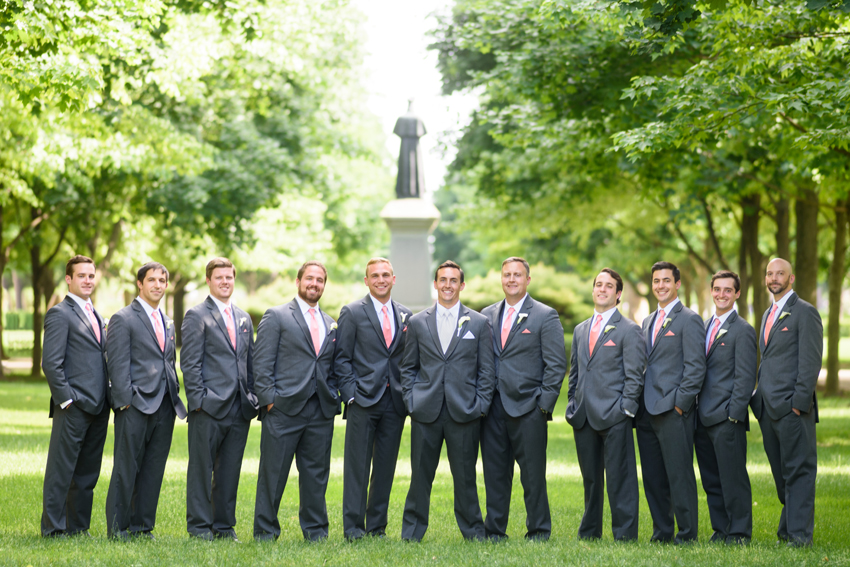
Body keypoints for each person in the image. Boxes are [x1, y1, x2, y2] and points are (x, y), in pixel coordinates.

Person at [400, 260, 495, 542]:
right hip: (425, 411)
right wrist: (411, 401)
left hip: (464, 411)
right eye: (443, 279)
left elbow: (486, 370)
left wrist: (480, 405)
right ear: (435, 284)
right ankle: (412, 532)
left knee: (465, 477)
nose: (448, 285)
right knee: (420, 477)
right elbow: (408, 368)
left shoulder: (479, 323)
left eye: (454, 280)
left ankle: (473, 532)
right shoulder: (417, 322)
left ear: (462, 285)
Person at [479, 257, 567, 541]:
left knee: (532, 476)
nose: (512, 279)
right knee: (494, 474)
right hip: (492, 408)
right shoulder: (486, 315)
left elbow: (555, 365)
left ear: (528, 279)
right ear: (501, 279)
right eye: (507, 275)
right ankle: (494, 531)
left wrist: (543, 405)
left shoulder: (545, 315)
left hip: (529, 409)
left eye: (518, 275)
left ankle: (539, 530)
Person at [253, 261, 340, 541]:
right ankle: (266, 531)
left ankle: (316, 532)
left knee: (316, 475)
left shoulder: (330, 322)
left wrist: (333, 396)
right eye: (310, 279)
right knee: (273, 474)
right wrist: (269, 401)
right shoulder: (277, 315)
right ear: (298, 281)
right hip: (283, 409)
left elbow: (332, 365)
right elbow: (262, 361)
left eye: (320, 280)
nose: (314, 284)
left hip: (320, 410)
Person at [105, 262, 188, 539]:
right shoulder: (124, 318)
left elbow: (168, 361)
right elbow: (117, 364)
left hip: (165, 405)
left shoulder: (168, 321)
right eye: (151, 280)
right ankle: (118, 528)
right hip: (135, 405)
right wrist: (124, 400)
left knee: (153, 469)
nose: (157, 285)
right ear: (140, 284)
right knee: (126, 467)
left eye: (162, 280)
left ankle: (142, 526)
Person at [181, 257, 259, 541]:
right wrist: (199, 401)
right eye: (219, 277)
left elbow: (250, 361)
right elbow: (189, 364)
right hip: (208, 407)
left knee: (229, 472)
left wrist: (251, 396)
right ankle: (200, 528)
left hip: (239, 409)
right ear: (208, 280)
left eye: (229, 277)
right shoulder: (196, 315)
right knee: (201, 471)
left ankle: (224, 527)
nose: (225, 282)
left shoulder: (243, 317)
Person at [335, 258, 413, 541]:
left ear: (393, 279)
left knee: (384, 468)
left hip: (395, 403)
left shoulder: (406, 315)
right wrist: (351, 395)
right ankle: (354, 529)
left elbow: (408, 360)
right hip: (363, 402)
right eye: (374, 276)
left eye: (385, 275)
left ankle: (376, 527)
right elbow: (341, 358)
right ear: (366, 281)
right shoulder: (353, 312)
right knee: (357, 467)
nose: (380, 280)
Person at [566, 268, 645, 541]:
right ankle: (589, 532)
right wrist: (572, 405)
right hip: (584, 416)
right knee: (591, 479)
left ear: (618, 294)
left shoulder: (629, 330)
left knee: (620, 479)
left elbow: (635, 376)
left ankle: (624, 534)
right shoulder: (580, 330)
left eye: (608, 286)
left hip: (614, 416)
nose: (602, 289)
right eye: (598, 285)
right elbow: (575, 373)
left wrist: (625, 410)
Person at [751, 258, 822, 547]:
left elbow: (810, 361)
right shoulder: (768, 312)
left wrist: (799, 403)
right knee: (782, 476)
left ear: (791, 279)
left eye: (780, 273)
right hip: (768, 409)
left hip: (793, 408)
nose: (774, 278)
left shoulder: (805, 312)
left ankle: (799, 537)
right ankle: (787, 528)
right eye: (770, 273)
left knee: (799, 472)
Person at [636, 261, 705, 543]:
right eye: (656, 281)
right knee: (653, 477)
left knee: (679, 475)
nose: (660, 285)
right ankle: (662, 532)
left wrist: (680, 404)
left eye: (666, 280)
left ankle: (687, 533)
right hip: (646, 412)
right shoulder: (647, 321)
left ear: (677, 284)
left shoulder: (689, 319)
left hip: (674, 410)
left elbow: (696, 367)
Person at [41, 255, 110, 537]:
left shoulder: (97, 314)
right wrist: (66, 399)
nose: (87, 280)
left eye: (91, 276)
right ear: (68, 279)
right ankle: (54, 528)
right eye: (81, 275)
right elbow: (51, 363)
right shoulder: (60, 313)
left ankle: (78, 527)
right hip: (73, 407)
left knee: (87, 473)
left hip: (100, 405)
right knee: (61, 471)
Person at [695, 270, 756, 545]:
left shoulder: (742, 330)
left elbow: (745, 377)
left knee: (733, 479)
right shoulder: (704, 326)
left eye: (728, 290)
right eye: (717, 289)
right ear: (711, 291)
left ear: (737, 294)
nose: (722, 294)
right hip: (702, 417)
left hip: (726, 418)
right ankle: (721, 529)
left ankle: (740, 532)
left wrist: (734, 414)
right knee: (712, 480)